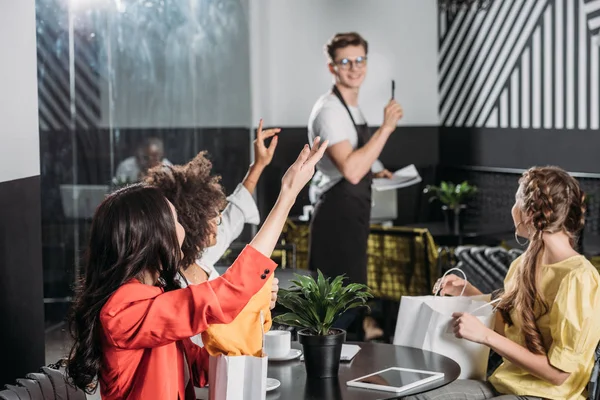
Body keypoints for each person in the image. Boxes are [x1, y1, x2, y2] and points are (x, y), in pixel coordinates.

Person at [66, 137, 328, 399]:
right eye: (176, 220)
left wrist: (251, 307)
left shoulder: (156, 297)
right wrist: (287, 195)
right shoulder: (123, 309)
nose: (184, 229)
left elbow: (202, 368)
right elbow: (220, 297)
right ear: (151, 238)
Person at [405, 166, 600, 400]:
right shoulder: (522, 264)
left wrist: (485, 336)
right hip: (506, 385)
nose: (513, 209)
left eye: (516, 201)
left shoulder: (578, 278)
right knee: (416, 394)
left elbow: (559, 375)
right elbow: (511, 331)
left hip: (548, 395)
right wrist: (469, 293)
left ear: (528, 213)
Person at [144, 119, 281, 346]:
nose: (219, 220)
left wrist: (257, 167)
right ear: (189, 225)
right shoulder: (168, 285)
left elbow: (233, 214)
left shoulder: (202, 258)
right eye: (211, 216)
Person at [307, 32, 402, 339]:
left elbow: (359, 157)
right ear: (332, 67)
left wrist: (378, 170)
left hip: (352, 217)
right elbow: (350, 169)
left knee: (354, 299)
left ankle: (354, 375)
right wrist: (387, 128)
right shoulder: (329, 111)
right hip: (336, 219)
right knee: (340, 306)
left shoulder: (351, 107)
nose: (354, 67)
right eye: (345, 61)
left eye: (360, 59)